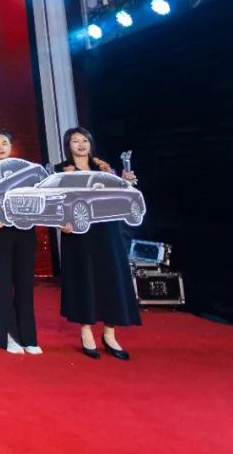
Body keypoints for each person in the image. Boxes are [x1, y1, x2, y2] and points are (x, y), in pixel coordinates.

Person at [56, 127, 141, 360]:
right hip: (79, 232)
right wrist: (61, 222)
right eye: (75, 141)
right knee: (85, 279)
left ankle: (110, 334)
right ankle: (86, 332)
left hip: (107, 229)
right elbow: (55, 201)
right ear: (68, 145)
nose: (81, 145)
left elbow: (120, 195)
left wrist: (125, 182)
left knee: (111, 277)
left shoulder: (104, 168)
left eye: (85, 140)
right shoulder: (59, 170)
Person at [0, 131, 41, 355]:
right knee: (3, 286)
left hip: (25, 230)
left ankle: (29, 338)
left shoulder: (24, 169)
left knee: (25, 284)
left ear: (11, 146)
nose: (0, 147)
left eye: (4, 143)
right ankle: (9, 337)